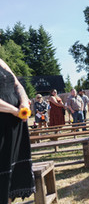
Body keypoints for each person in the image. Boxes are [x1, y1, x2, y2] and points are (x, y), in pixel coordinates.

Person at [0, 58, 35, 203]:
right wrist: (15, 111)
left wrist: (24, 101)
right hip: (2, 124)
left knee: (11, 181)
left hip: (15, 124)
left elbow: (17, 84)